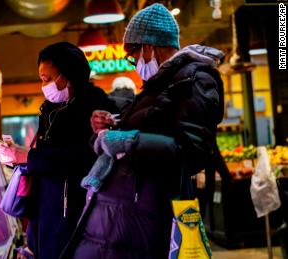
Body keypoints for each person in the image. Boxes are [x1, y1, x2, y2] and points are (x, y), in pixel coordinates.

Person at [61, 3, 225, 258]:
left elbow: (191, 152)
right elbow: (151, 128)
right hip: (126, 213)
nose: (133, 62)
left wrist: (128, 141)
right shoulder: (156, 85)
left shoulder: (194, 81)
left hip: (147, 216)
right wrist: (111, 126)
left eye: (133, 54)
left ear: (149, 47)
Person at [0, 42, 117, 259]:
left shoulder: (96, 106)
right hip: (46, 212)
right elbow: (46, 157)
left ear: (68, 74)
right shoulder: (50, 109)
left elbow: (86, 159)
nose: (43, 85)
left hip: (77, 213)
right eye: (41, 78)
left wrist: (29, 156)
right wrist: (19, 155)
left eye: (47, 78)